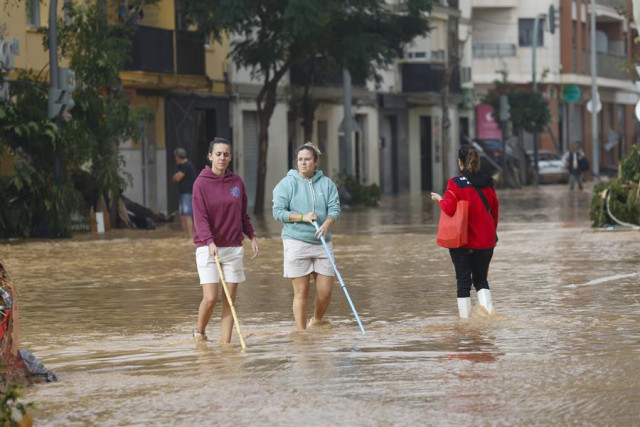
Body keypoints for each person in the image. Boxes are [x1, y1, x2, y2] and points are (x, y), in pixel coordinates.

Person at [191, 137, 259, 342]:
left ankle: (226, 346)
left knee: (229, 300)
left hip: (233, 248)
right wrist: (210, 242)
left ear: (230, 157)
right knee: (210, 298)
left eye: (226, 154)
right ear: (210, 156)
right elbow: (200, 219)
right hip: (207, 247)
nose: (222, 158)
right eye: (218, 154)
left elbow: (243, 214)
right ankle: (199, 333)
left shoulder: (236, 182)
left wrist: (252, 235)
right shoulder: (200, 183)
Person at [272, 142, 341, 330]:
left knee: (325, 292)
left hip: (322, 242)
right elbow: (278, 212)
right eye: (300, 159)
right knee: (301, 292)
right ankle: (301, 334)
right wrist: (303, 217)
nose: (303, 163)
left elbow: (335, 208)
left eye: (307, 159)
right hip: (295, 241)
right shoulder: (286, 184)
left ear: (316, 162)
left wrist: (327, 224)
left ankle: (317, 319)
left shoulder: (327, 184)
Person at [430, 145, 499, 318]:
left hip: (462, 240)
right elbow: (494, 211)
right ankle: (489, 316)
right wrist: (492, 236)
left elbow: (449, 208)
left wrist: (439, 199)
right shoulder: (488, 182)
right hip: (486, 240)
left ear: (459, 162)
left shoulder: (455, 182)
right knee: (481, 280)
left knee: (463, 281)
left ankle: (466, 323)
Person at [172, 148, 196, 238]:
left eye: (175, 157)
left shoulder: (187, 166)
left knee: (187, 215)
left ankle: (191, 236)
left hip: (188, 193)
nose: (175, 159)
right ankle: (186, 235)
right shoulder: (180, 166)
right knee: (182, 215)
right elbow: (174, 178)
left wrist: (177, 176)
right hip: (182, 193)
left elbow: (177, 178)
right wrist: (176, 176)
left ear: (178, 157)